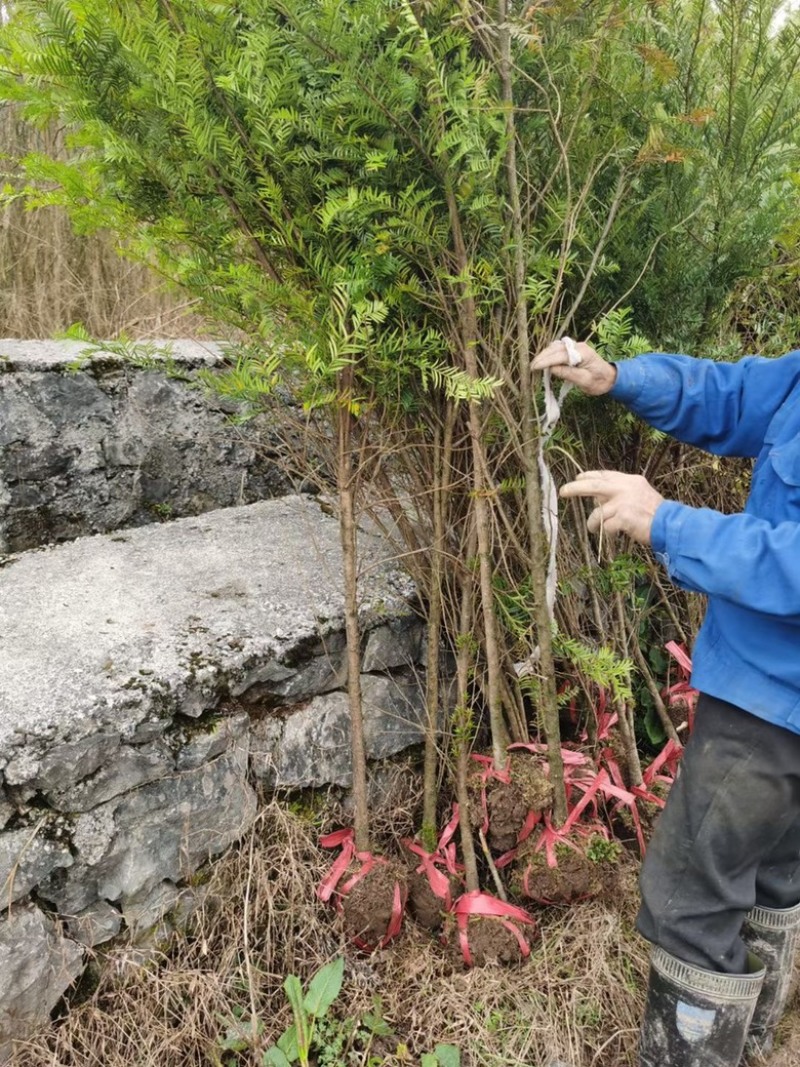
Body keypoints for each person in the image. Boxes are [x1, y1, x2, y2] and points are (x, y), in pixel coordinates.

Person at [531, 338, 800, 1067]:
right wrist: (618, 378)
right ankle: (751, 1049)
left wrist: (668, 522)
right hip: (773, 698)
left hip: (772, 711)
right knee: (770, 878)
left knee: (691, 904)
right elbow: (737, 394)